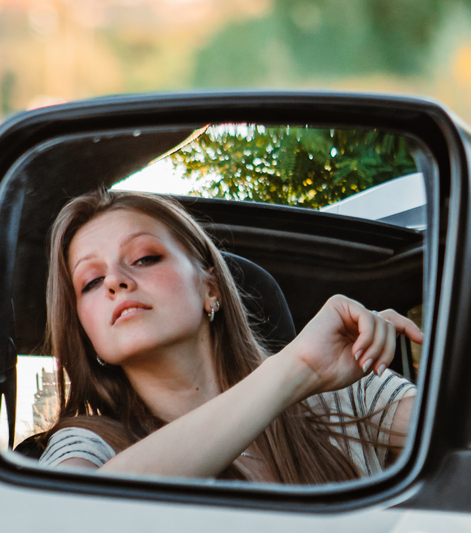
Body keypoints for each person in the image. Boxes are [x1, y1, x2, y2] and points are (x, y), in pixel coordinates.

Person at [26, 190, 421, 485]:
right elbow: (73, 522)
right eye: (91, 281)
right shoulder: (87, 444)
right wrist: (297, 367)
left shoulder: (345, 395)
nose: (114, 280)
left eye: (145, 257)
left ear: (210, 288)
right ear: (87, 334)